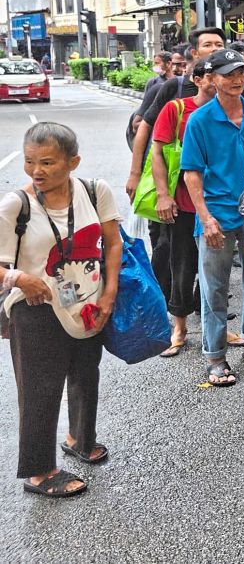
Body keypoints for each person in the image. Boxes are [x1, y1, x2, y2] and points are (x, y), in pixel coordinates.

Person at [0, 123, 122, 497]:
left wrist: (109, 295)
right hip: (35, 309)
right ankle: (39, 472)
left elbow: (113, 244)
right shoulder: (15, 205)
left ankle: (79, 439)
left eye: (48, 162)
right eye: (30, 161)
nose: (37, 170)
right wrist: (21, 278)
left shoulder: (94, 191)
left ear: (73, 162)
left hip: (88, 303)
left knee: (86, 374)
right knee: (40, 389)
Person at [180, 47, 244, 386]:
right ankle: (215, 357)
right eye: (228, 74)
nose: (237, 79)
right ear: (211, 79)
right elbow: (191, 172)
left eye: (241, 72)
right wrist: (206, 218)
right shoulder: (200, 120)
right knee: (215, 290)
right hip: (216, 217)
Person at [150, 58, 218, 357]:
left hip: (217, 204)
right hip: (182, 204)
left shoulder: (233, 111)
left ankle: (212, 327)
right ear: (199, 79)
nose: (223, 82)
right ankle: (179, 327)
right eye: (215, 76)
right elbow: (158, 153)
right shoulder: (176, 110)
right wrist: (163, 195)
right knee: (182, 266)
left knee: (214, 271)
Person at [126, 27, 227, 201]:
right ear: (195, 53)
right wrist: (136, 173)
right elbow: (144, 126)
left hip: (219, 182)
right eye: (208, 45)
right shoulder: (173, 87)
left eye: (219, 44)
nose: (215, 49)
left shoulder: (238, 86)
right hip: (174, 182)